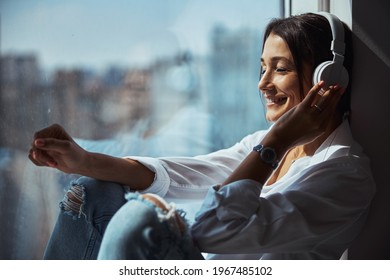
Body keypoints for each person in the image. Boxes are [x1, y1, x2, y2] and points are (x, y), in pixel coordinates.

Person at [29, 12, 375, 260]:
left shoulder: (346, 175)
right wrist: (84, 160)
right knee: (93, 190)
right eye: (262, 67)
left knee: (141, 220)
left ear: (326, 79)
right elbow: (179, 175)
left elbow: (213, 232)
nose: (262, 83)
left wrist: (277, 141)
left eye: (280, 68)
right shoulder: (268, 144)